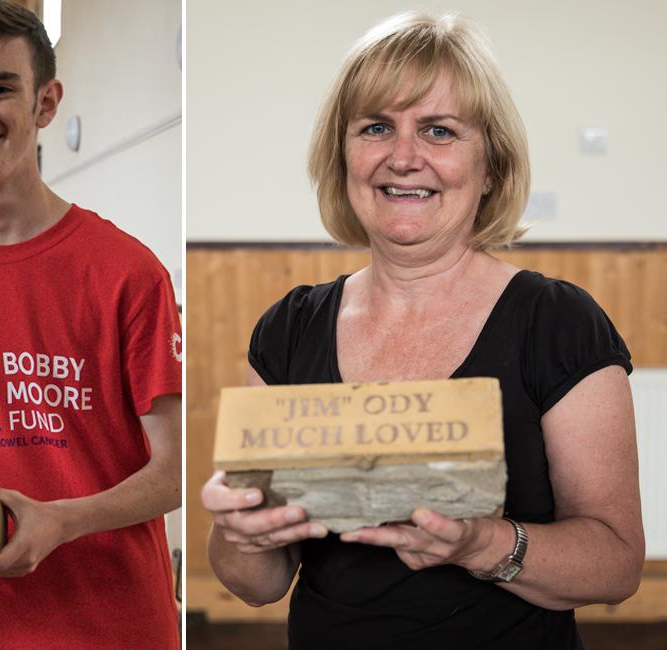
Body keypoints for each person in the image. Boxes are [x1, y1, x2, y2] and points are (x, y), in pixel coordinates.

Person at [201, 12, 643, 650]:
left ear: (490, 167)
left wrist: (480, 543)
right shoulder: (289, 329)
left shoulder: (560, 323)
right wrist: (241, 533)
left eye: (439, 130)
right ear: (344, 155)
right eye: (376, 127)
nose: (403, 158)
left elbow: (617, 564)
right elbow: (259, 584)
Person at [0, 1, 182, 648]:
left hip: (118, 624)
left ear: (46, 102)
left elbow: (174, 471)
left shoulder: (128, 272)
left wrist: (59, 520)